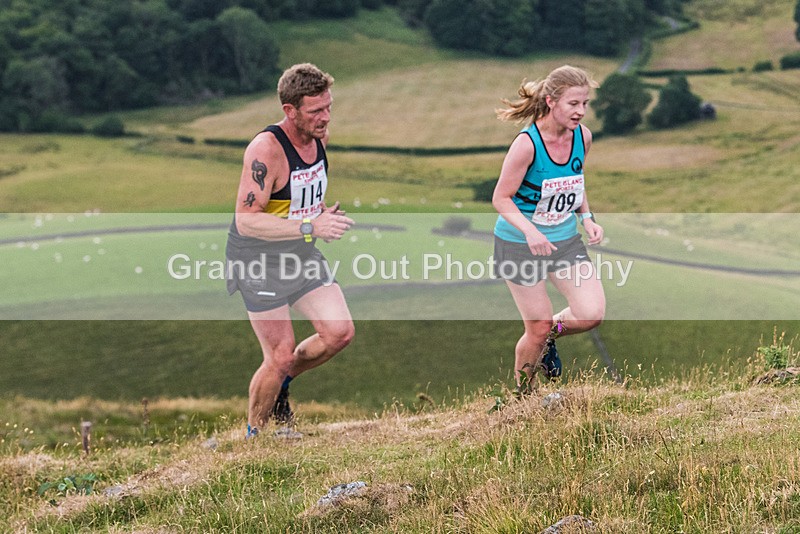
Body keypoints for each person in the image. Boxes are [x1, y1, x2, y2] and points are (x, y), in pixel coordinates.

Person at [226, 63, 355, 438]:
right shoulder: (266, 150)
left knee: (339, 333)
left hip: (299, 251)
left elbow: (297, 198)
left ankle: (281, 381)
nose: (325, 117)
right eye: (316, 111)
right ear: (290, 110)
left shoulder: (319, 140)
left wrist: (318, 215)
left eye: (328, 107)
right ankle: (255, 437)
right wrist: (309, 225)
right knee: (279, 355)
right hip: (256, 261)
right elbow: (247, 219)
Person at [492, 65, 606, 393]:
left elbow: (574, 182)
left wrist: (587, 218)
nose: (581, 112)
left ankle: (549, 337)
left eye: (585, 104)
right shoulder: (527, 145)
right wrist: (531, 231)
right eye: (573, 104)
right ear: (551, 101)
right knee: (536, 327)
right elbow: (501, 198)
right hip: (518, 244)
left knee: (590, 314)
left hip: (564, 241)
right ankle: (521, 399)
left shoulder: (582, 137)